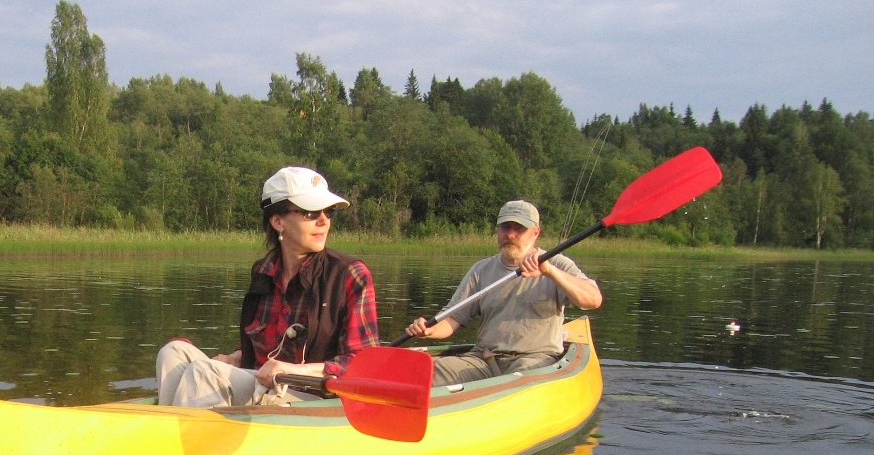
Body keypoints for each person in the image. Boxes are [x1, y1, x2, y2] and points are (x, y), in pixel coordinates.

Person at [156, 166, 379, 407]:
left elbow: (363, 365)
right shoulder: (263, 271)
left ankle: (192, 434)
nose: (323, 221)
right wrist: (235, 357)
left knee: (204, 373)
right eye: (310, 213)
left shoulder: (350, 274)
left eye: (328, 211)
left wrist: (294, 369)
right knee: (173, 352)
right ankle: (172, 430)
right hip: (266, 387)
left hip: (315, 397)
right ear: (277, 221)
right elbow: (262, 349)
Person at [405, 200, 602, 385]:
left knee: (520, 382)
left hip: (534, 359)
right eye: (505, 227)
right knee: (424, 373)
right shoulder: (481, 270)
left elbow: (593, 299)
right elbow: (452, 319)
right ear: (498, 230)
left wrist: (549, 272)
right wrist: (428, 330)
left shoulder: (556, 264)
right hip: (483, 359)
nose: (510, 235)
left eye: (519, 229)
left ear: (535, 233)